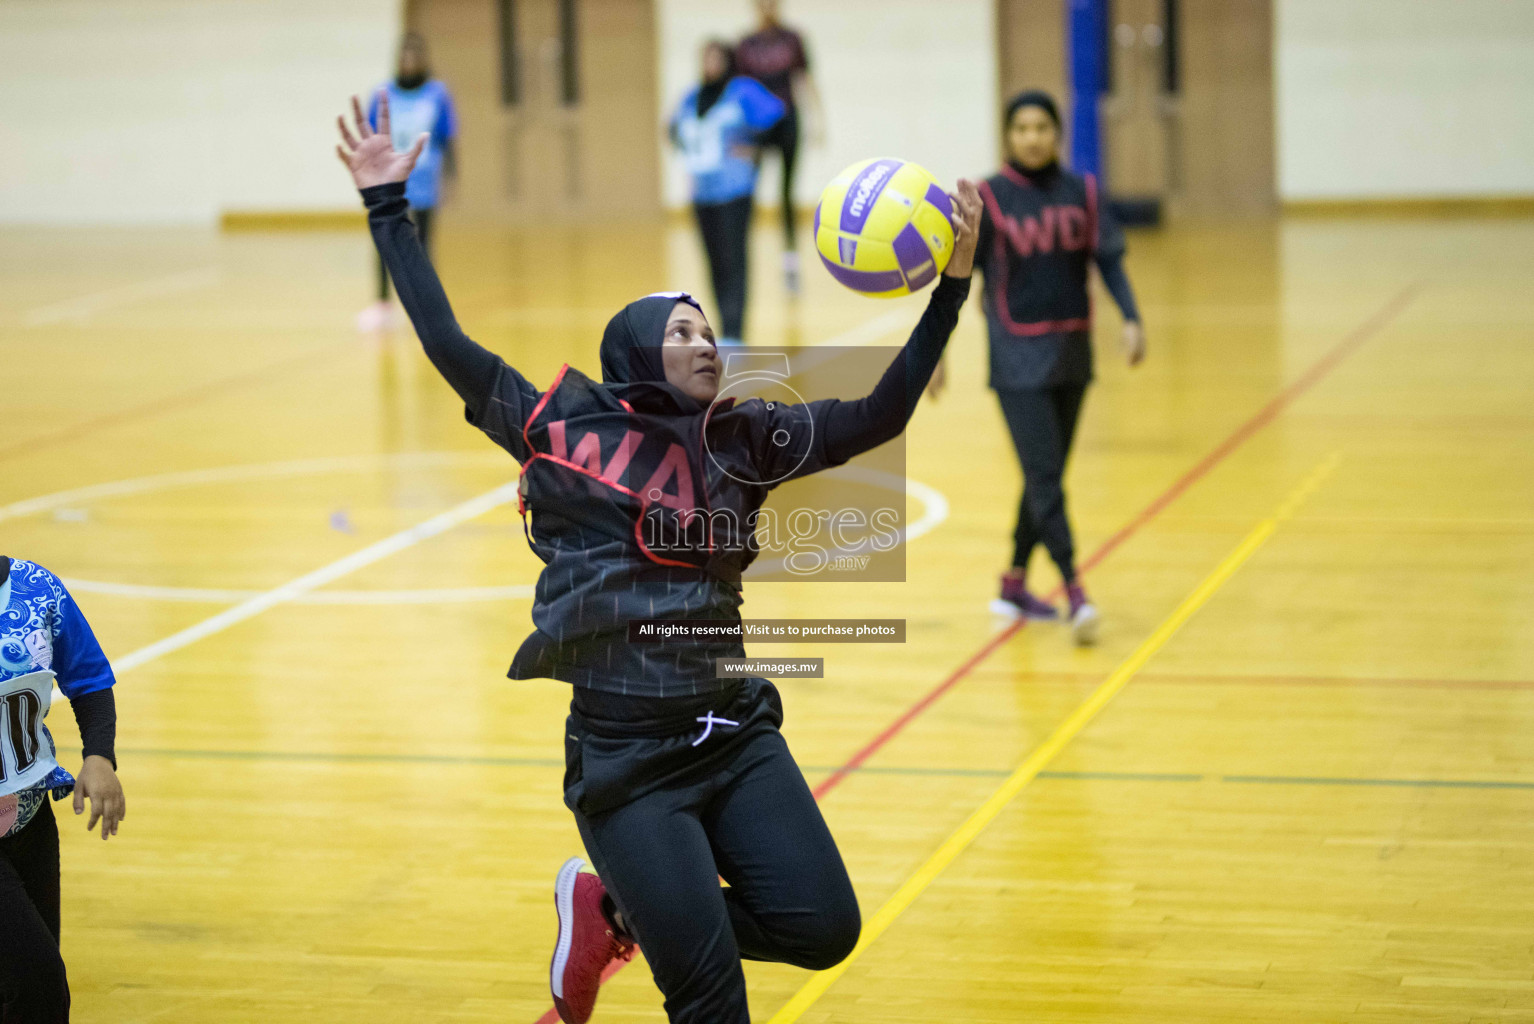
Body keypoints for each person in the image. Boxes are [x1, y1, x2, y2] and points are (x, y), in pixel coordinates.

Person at [335, 92, 982, 1024]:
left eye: (709, 329)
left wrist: (951, 289)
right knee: (711, 995)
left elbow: (877, 415)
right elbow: (448, 343)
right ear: (635, 351)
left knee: (824, 931)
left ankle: (616, 911)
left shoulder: (746, 439)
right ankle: (646, 910)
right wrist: (389, 208)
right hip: (628, 761)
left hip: (734, 732)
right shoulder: (560, 427)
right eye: (680, 331)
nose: (704, 341)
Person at [931, 90, 1145, 645]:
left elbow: (1109, 259)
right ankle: (1075, 590)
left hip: (1073, 353)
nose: (1032, 137)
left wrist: (1131, 317)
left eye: (1042, 127)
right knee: (1047, 476)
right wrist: (935, 353)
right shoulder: (988, 200)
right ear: (1008, 136)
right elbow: (956, 281)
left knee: (1042, 475)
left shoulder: (1084, 192)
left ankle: (1012, 583)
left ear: (1058, 134)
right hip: (1017, 360)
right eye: (1022, 127)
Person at [1, 556, 126, 1023]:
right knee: (39, 985)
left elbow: (89, 678)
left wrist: (98, 755)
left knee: (24, 989)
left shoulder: (37, 588)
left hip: (31, 821)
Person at [668, 40, 785, 348]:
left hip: (735, 191)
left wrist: (757, 147)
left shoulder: (742, 90)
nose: (710, 63)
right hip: (701, 194)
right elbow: (673, 129)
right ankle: (721, 327)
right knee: (714, 262)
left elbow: (781, 119)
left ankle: (735, 332)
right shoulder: (692, 96)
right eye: (705, 57)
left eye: (716, 57)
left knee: (734, 261)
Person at [357, 32, 457, 332]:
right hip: (389, 180)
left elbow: (447, 136)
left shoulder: (437, 93)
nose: (409, 61)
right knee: (385, 239)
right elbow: (370, 136)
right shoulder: (383, 93)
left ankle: (426, 308)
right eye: (405, 55)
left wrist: (451, 177)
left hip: (424, 180)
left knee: (422, 245)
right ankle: (382, 303)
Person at [735, 0, 824, 295]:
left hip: (788, 122)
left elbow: (805, 79)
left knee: (786, 193)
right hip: (758, 127)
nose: (767, 8)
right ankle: (742, 261)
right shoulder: (746, 44)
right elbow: (739, 89)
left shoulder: (792, 39)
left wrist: (818, 119)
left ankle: (790, 262)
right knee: (749, 192)